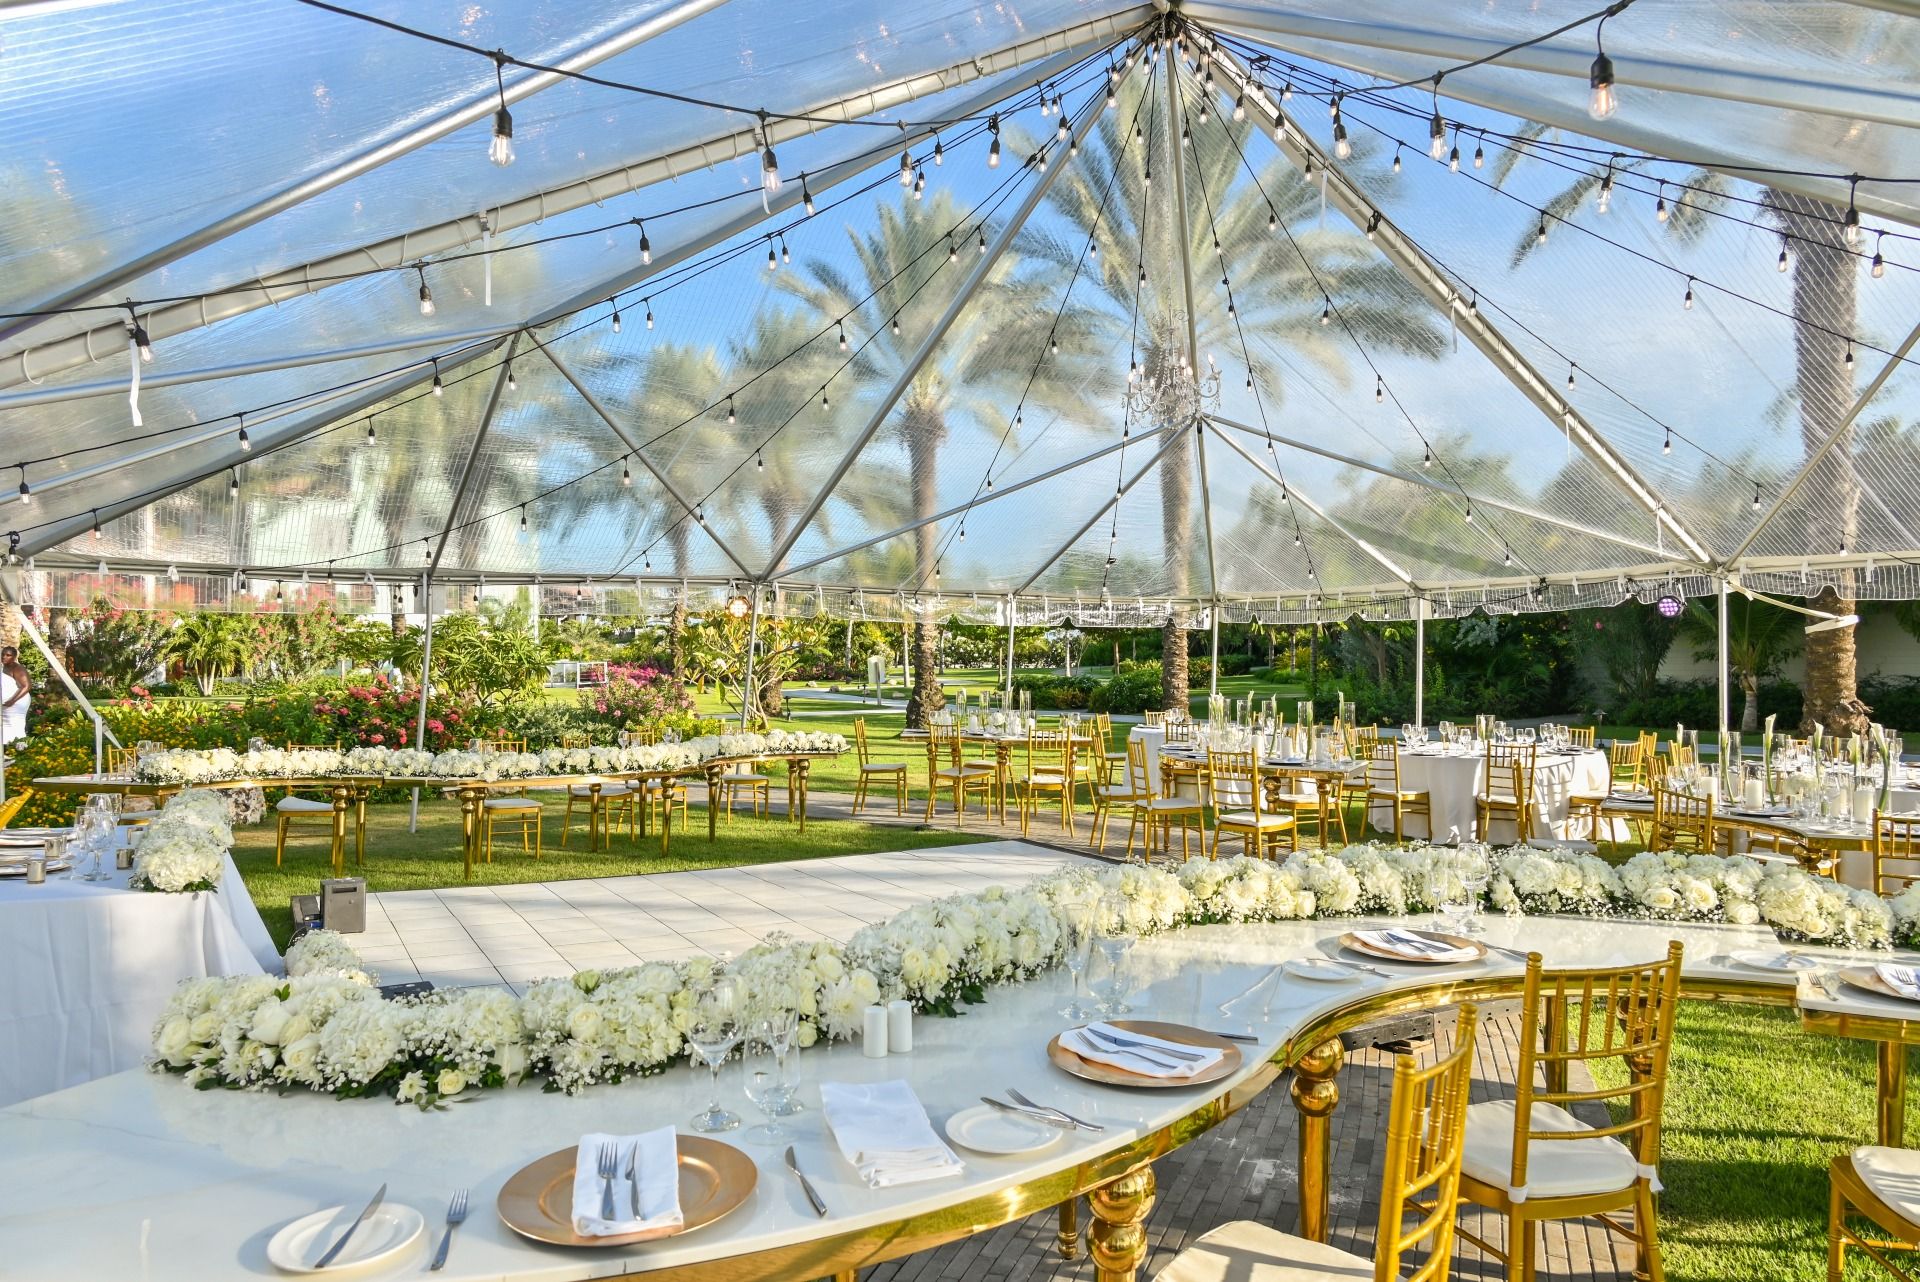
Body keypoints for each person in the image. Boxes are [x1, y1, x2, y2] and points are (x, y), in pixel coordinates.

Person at [1, 645, 29, 746]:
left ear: (14, 657)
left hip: (17, 702)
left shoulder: (18, 668)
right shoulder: (3, 667)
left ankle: (20, 748)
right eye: (3, 654)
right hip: (7, 704)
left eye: (8, 655)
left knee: (15, 725)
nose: (4, 657)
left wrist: (12, 701)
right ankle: (7, 748)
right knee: (5, 727)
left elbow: (26, 686)